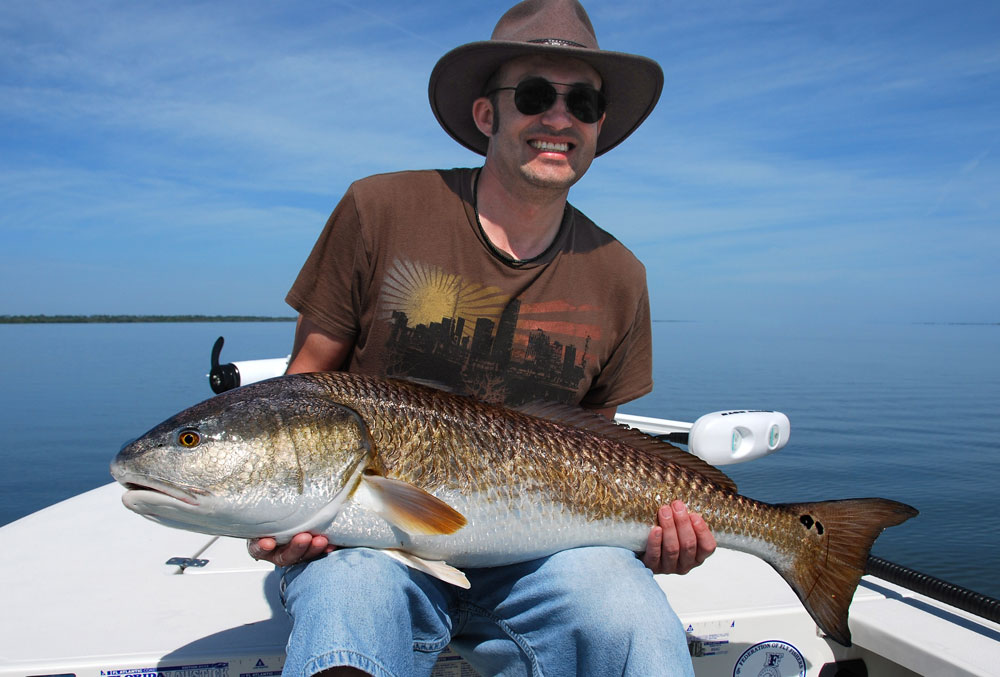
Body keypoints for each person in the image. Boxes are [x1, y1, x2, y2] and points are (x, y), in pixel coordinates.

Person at [250, 1, 716, 675]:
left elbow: (599, 449)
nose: (559, 119)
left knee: (635, 618)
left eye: (581, 102)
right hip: (371, 546)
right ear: (486, 114)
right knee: (352, 594)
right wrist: (278, 511)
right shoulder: (378, 209)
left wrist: (659, 537)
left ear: (598, 126)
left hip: (538, 558)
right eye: (534, 95)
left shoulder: (621, 273)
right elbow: (302, 385)